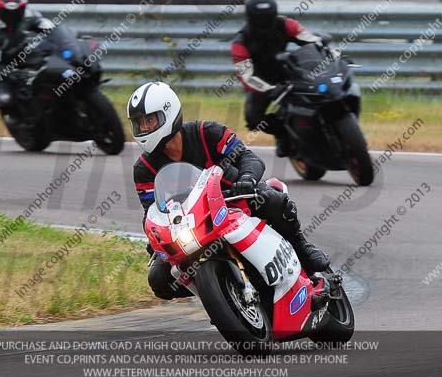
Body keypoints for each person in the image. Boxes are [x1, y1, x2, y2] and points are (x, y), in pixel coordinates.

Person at [127, 81, 330, 300]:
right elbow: (151, 212)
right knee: (159, 281)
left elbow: (248, 157)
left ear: (169, 112)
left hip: (234, 200)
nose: (145, 128)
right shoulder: (143, 170)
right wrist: (154, 236)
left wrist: (247, 179)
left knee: (272, 199)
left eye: (150, 120)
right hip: (190, 225)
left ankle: (302, 247)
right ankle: (218, 294)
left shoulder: (206, 132)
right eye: (139, 123)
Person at [230, 0, 337, 157]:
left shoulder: (286, 24)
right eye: (260, 18)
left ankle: (329, 123)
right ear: (250, 17)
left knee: (322, 89)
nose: (264, 22)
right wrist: (270, 90)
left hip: (288, 71)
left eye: (267, 17)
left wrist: (328, 50)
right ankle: (282, 134)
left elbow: (310, 39)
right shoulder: (241, 42)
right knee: (252, 118)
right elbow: (246, 76)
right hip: (260, 82)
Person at [0, 0, 54, 127]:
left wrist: (68, 40)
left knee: (48, 61)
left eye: (17, 12)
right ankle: (17, 119)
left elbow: (51, 29)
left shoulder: (29, 14)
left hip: (20, 51)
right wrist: (12, 74)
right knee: (6, 99)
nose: (12, 17)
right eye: (7, 13)